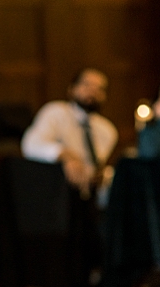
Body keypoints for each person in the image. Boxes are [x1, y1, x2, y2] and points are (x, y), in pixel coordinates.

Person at [21, 68, 118, 198]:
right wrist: (65, 155)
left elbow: (96, 167)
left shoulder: (107, 130)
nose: (92, 91)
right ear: (72, 89)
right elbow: (30, 145)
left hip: (89, 194)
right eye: (86, 85)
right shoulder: (55, 112)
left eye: (99, 88)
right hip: (52, 191)